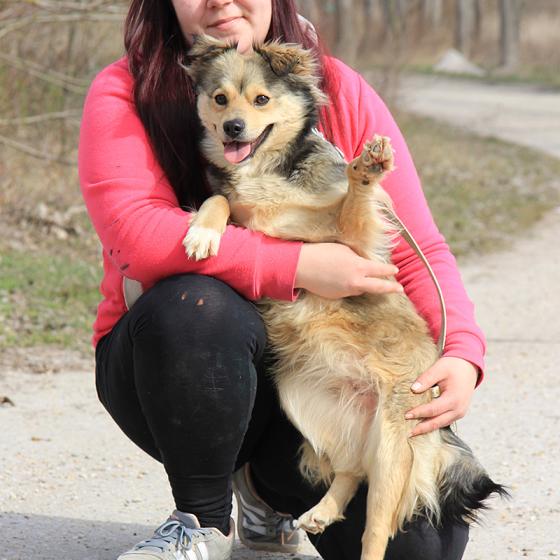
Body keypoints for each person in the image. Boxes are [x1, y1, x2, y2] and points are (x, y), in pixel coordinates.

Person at [79, 1, 486, 559]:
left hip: (310, 379)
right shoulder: (127, 89)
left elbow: (416, 248)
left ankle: (263, 489)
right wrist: (296, 267)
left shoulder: (338, 88)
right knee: (197, 305)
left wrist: (461, 352)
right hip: (175, 365)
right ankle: (201, 522)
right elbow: (135, 235)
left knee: (425, 548)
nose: (221, 0)